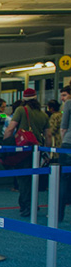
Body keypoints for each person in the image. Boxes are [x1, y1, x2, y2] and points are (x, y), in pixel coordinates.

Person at [3, 88, 51, 217]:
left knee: (23, 179)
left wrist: (5, 145)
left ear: (24, 98)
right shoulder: (43, 114)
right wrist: (47, 152)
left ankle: (26, 206)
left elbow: (10, 128)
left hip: (24, 149)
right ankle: (34, 204)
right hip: (38, 149)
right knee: (34, 177)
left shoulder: (21, 110)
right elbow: (48, 135)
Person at [59, 94, 71, 223]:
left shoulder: (69, 103)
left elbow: (63, 127)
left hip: (68, 144)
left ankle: (58, 214)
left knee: (62, 181)